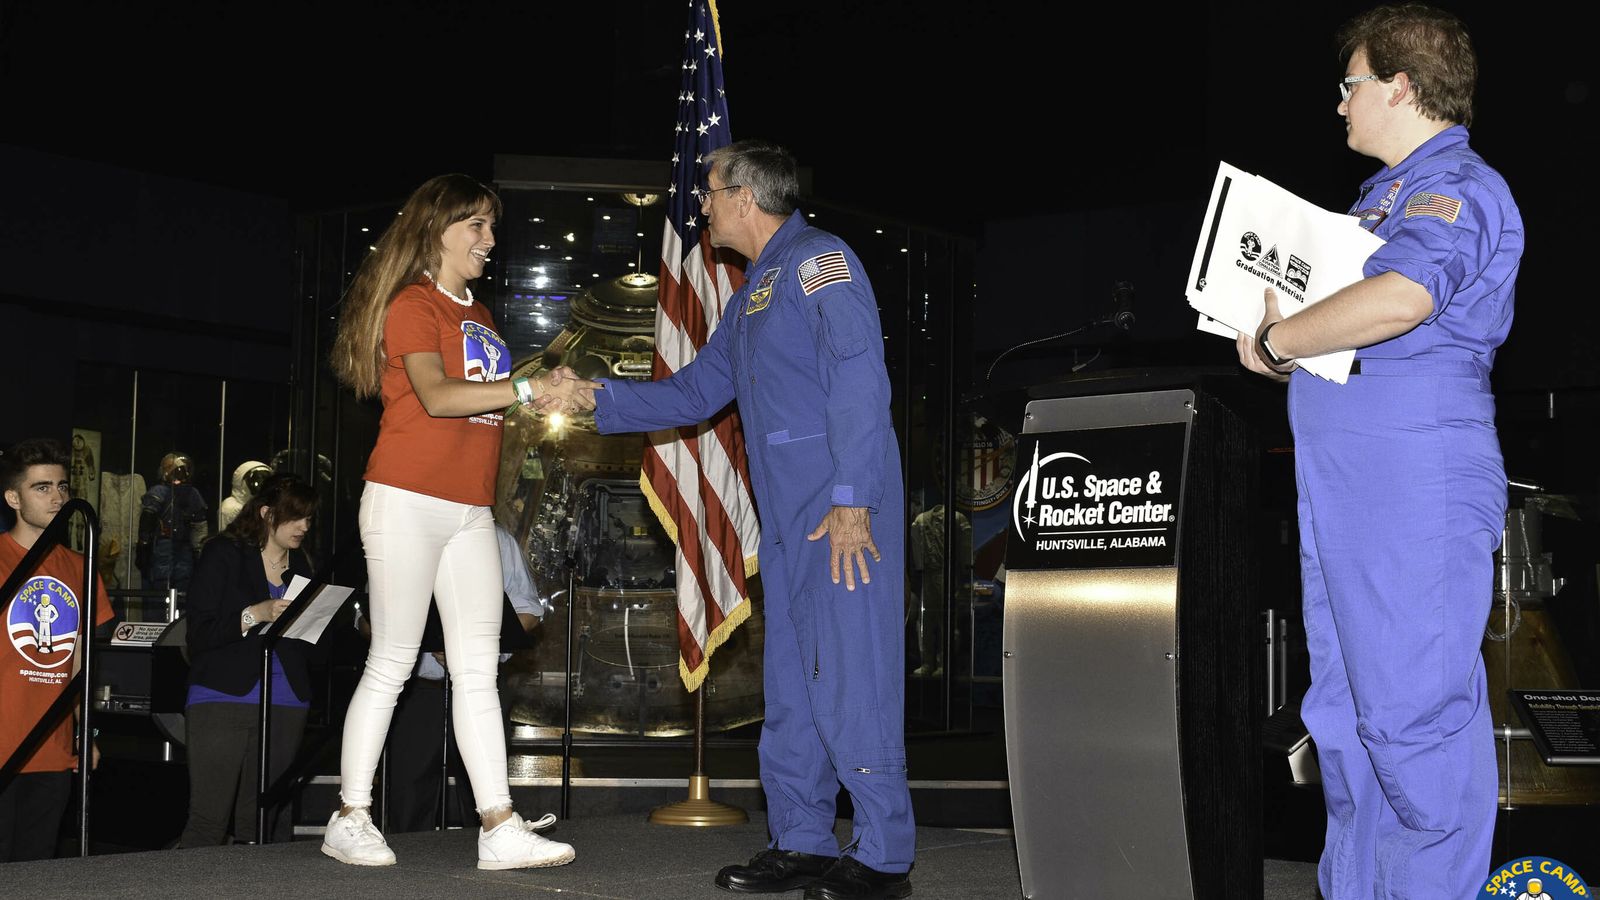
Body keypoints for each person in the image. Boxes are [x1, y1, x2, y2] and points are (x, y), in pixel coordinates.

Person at [558, 140, 915, 900]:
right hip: (784, 520)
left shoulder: (822, 260)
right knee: (790, 688)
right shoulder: (754, 291)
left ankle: (884, 855)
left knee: (852, 679)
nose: (702, 206)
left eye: (710, 192)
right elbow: (691, 394)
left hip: (838, 510)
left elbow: (859, 377)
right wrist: (594, 398)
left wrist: (853, 499)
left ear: (746, 197)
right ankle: (803, 841)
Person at [1236, 6, 1521, 897]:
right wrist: (1289, 347)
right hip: (1348, 479)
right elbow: (1356, 332)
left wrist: (1284, 342)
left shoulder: (1455, 186)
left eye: (1350, 84)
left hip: (1413, 476)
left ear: (1401, 85)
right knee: (1349, 719)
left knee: (1411, 717)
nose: (1340, 105)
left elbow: (1401, 301)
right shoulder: (1376, 202)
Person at [323, 173, 582, 870]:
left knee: (477, 669)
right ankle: (349, 813)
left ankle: (498, 825)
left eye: (492, 227)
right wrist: (528, 384)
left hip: (470, 511)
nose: (490, 241)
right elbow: (438, 398)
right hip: (404, 499)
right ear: (438, 229)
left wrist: (550, 390)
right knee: (394, 661)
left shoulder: (482, 315)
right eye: (477, 226)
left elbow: (490, 406)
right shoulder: (413, 304)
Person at [179, 474, 319, 846]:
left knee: (265, 822)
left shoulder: (303, 565)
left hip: (287, 700)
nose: (304, 526)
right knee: (209, 817)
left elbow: (312, 645)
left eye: (309, 518)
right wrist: (254, 613)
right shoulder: (224, 553)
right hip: (223, 694)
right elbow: (200, 634)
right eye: (296, 516)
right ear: (266, 513)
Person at [381, 523, 548, 832]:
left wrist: (473, 642)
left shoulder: (497, 540)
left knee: (482, 791)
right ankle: (404, 873)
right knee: (408, 792)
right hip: (420, 690)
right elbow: (373, 613)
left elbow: (528, 611)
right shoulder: (405, 535)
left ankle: (488, 854)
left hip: (480, 684)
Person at [1, 438, 114, 861]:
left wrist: (87, 733)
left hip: (51, 745)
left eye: (63, 487)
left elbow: (79, 661)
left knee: (36, 866)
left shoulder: (79, 566)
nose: (57, 497)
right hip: (1, 738)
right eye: (42, 488)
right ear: (13, 497)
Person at [136, 452, 209, 592]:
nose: (178, 472)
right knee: (163, 582)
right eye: (171, 467)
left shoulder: (192, 494)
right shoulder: (160, 491)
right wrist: (144, 545)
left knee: (181, 582)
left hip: (182, 545)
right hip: (164, 544)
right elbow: (148, 519)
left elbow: (199, 526)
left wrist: (199, 551)